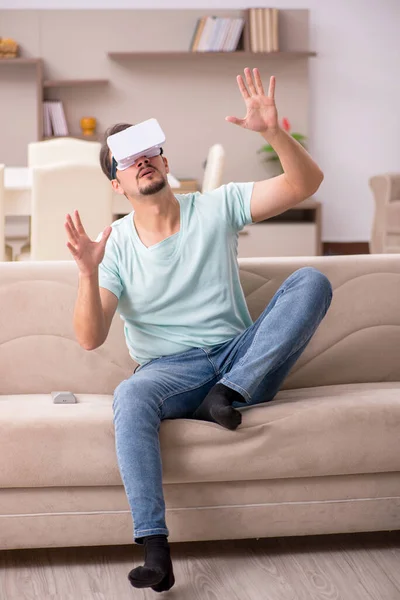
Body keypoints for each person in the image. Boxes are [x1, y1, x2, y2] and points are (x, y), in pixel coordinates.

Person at [65, 68, 332, 593]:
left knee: (311, 281)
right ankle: (156, 550)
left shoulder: (216, 206)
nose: (141, 161)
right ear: (117, 184)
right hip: (168, 372)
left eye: (148, 151)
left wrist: (273, 132)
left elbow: (305, 185)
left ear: (164, 160)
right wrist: (87, 271)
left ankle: (228, 393)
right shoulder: (114, 244)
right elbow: (90, 338)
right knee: (130, 396)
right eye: (127, 159)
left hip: (240, 357)